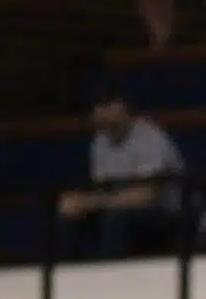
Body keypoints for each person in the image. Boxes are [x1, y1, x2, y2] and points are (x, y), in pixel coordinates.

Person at [59, 90, 185, 262]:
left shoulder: (151, 137)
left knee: (115, 218)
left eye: (107, 105)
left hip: (166, 213)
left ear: (123, 106)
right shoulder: (100, 141)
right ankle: (69, 270)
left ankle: (112, 273)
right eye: (96, 107)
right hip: (118, 206)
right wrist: (78, 201)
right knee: (70, 214)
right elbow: (103, 189)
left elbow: (145, 196)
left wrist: (92, 202)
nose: (100, 112)